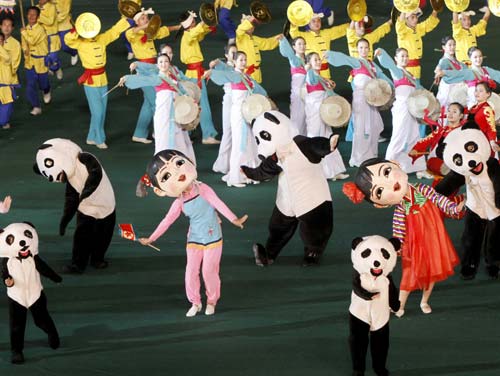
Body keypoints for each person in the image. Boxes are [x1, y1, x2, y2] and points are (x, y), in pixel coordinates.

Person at [343, 158, 464, 317]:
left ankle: (424, 301)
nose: (389, 185)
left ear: (396, 164)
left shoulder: (421, 189)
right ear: (381, 204)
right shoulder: (400, 209)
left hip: (433, 238)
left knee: (432, 271)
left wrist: (454, 207)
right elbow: (398, 231)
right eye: (379, 191)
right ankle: (399, 306)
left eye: (387, 172)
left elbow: (439, 199)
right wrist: (397, 249)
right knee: (409, 275)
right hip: (413, 244)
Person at [139, 149, 248, 317]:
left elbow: (218, 204)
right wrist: (151, 238)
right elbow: (166, 221)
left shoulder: (203, 189)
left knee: (209, 271)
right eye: (166, 176)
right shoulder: (179, 202)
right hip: (195, 238)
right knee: (190, 272)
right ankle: (195, 302)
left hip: (213, 236)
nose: (178, 174)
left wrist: (234, 220)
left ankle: (211, 301)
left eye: (179, 164)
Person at [64, 14, 130, 149]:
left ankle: (91, 137)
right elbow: (67, 40)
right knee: (98, 111)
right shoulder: (80, 42)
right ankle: (100, 139)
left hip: (103, 79)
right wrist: (77, 30)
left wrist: (127, 20)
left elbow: (115, 31)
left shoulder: (101, 39)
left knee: (102, 110)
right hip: (90, 81)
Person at [325, 39, 392, 167]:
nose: (364, 50)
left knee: (374, 126)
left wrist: (392, 87)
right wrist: (330, 54)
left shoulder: (372, 64)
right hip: (361, 100)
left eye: (366, 47)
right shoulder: (357, 62)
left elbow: (382, 76)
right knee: (361, 128)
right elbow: (344, 58)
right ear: (357, 49)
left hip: (372, 100)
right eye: (361, 47)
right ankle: (359, 157)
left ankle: (371, 155)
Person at [120, 53, 196, 162]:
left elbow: (182, 91)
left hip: (176, 114)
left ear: (169, 63)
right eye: (161, 62)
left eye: (166, 61)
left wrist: (190, 100)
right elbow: (142, 80)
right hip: (163, 115)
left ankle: (181, 164)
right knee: (164, 139)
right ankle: (165, 165)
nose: (163, 64)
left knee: (179, 139)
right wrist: (126, 78)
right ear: (157, 64)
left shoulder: (173, 77)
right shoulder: (157, 78)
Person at [207, 50, 264, 187]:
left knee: (250, 143)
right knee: (239, 144)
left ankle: (250, 173)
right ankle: (235, 177)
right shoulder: (233, 75)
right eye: (240, 60)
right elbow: (222, 74)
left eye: (245, 59)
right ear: (234, 62)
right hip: (238, 113)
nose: (243, 62)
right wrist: (210, 72)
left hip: (248, 113)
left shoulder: (247, 77)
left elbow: (258, 90)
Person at [125, 7, 180, 144]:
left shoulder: (149, 32)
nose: (146, 20)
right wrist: (145, 25)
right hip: (144, 69)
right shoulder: (132, 34)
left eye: (146, 18)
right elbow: (131, 32)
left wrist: (179, 27)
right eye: (143, 18)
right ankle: (161, 131)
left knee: (148, 104)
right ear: (137, 21)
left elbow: (163, 31)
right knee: (156, 101)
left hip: (153, 68)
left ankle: (139, 133)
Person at [375, 47, 428, 177]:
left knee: (414, 136)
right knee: (399, 137)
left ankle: (419, 168)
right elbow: (389, 65)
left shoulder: (410, 74)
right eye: (402, 56)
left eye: (406, 56)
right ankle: (387, 167)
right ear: (396, 59)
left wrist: (429, 95)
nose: (404, 58)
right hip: (402, 108)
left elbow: (419, 89)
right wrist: (382, 53)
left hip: (412, 108)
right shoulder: (397, 71)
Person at [304, 51, 348, 180]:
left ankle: (333, 171)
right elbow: (311, 78)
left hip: (324, 111)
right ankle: (315, 172)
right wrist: (309, 70)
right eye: (315, 60)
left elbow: (331, 94)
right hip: (315, 112)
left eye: (319, 59)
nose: (318, 61)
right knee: (315, 138)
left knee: (328, 138)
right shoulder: (311, 76)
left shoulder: (321, 78)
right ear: (309, 63)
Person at [178, 10, 219, 145]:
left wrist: (207, 25)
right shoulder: (188, 36)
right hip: (195, 75)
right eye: (194, 22)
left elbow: (200, 34)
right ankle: (207, 135)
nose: (196, 24)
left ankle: (185, 133)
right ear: (190, 24)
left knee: (192, 103)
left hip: (194, 74)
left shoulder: (189, 35)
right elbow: (196, 32)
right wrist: (204, 21)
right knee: (203, 104)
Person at [409, 102, 466, 182]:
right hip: (442, 163)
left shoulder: (464, 131)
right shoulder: (442, 130)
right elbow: (426, 140)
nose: (450, 114)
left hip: (457, 162)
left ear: (461, 116)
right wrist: (416, 149)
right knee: (435, 165)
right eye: (449, 111)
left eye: (454, 112)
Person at [435, 47, 500, 109]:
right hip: (474, 106)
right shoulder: (469, 72)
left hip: (487, 103)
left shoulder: (486, 70)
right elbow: (457, 73)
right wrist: (444, 72)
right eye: (475, 57)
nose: (478, 59)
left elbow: (498, 75)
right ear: (470, 58)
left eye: (480, 56)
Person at [290, 12, 349, 79]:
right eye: (313, 21)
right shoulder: (304, 36)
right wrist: (294, 22)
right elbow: (293, 33)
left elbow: (340, 29)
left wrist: (354, 22)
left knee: (326, 88)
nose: (316, 23)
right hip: (311, 71)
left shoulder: (326, 33)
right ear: (308, 24)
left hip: (325, 72)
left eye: (318, 21)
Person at [209, 43, 237, 174]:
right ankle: (223, 164)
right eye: (232, 53)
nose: (235, 55)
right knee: (228, 132)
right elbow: (217, 66)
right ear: (226, 55)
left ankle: (235, 163)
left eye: (236, 52)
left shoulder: (239, 66)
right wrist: (216, 62)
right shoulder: (225, 67)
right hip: (229, 101)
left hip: (239, 101)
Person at [20, 6, 51, 116]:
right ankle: (36, 106)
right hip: (30, 62)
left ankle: (46, 90)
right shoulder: (26, 28)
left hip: (41, 61)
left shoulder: (40, 29)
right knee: (30, 86)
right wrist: (25, 50)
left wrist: (24, 33)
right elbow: (24, 43)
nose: (31, 16)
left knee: (43, 84)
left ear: (38, 17)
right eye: (29, 14)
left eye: (34, 14)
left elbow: (32, 41)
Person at [396, 8, 439, 82]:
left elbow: (429, 23)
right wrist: (404, 8)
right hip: (405, 68)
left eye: (416, 17)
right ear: (406, 19)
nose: (416, 19)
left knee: (416, 89)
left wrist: (435, 9)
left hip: (416, 68)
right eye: (412, 17)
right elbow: (399, 24)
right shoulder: (402, 32)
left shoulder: (417, 29)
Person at [235, 14, 280, 83]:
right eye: (249, 24)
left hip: (256, 72)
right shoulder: (240, 38)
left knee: (256, 92)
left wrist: (278, 38)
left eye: (252, 25)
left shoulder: (255, 39)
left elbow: (267, 43)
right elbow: (239, 29)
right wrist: (251, 19)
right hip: (245, 72)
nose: (251, 26)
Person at [279, 36, 307, 136]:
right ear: (294, 47)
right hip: (298, 94)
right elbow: (289, 54)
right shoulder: (294, 59)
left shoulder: (308, 59)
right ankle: (296, 142)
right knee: (297, 119)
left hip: (309, 94)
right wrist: (283, 41)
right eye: (299, 44)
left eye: (304, 44)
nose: (302, 46)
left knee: (308, 119)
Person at [434, 36, 467, 108]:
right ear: (443, 47)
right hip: (448, 89)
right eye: (450, 45)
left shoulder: (456, 61)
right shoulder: (444, 60)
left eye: (454, 45)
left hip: (457, 89)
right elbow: (438, 70)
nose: (452, 47)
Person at [0, 16, 20, 129]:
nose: (6, 28)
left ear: (12, 28)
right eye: (4, 25)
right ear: (1, 26)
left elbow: (14, 64)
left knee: (7, 103)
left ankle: (5, 120)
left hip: (8, 79)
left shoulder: (15, 44)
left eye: (9, 25)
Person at [37, 0, 62, 79]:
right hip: (41, 37)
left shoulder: (52, 6)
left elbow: (50, 21)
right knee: (45, 56)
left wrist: (38, 16)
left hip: (52, 36)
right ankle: (50, 67)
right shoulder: (35, 7)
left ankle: (57, 68)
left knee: (53, 56)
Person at [55, 0, 78, 66]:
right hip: (50, 28)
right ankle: (55, 68)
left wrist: (50, 20)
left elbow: (63, 14)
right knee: (51, 49)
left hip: (64, 27)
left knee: (65, 47)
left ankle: (74, 53)